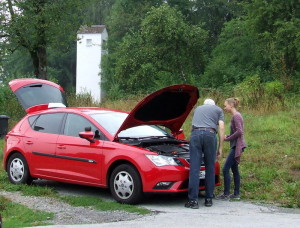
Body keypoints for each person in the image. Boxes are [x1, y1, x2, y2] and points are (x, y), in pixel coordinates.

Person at [185, 98, 225, 208]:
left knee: (194, 168)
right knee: (210, 168)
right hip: (210, 135)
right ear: (214, 105)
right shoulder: (218, 110)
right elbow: (221, 127)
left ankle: (193, 201)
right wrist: (220, 148)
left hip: (196, 134)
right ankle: (208, 199)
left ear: (204, 105)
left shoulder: (198, 109)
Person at [218, 98, 246, 200]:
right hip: (236, 145)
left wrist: (228, 138)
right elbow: (237, 131)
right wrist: (229, 136)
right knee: (234, 169)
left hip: (236, 146)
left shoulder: (236, 116)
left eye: (225, 106)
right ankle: (236, 194)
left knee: (225, 169)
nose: (224, 108)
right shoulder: (236, 116)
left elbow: (240, 132)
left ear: (231, 105)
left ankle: (226, 194)